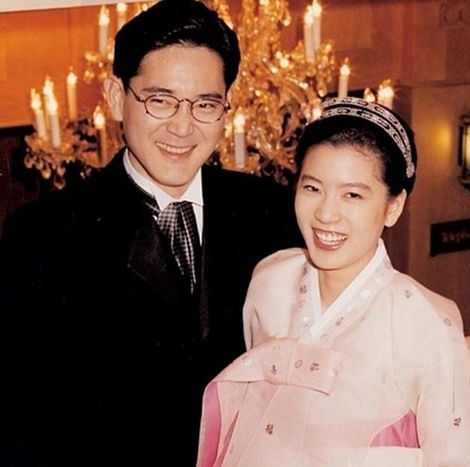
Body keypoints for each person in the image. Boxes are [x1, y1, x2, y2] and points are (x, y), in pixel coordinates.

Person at [0, 1, 302, 465]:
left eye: (205, 105)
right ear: (115, 96)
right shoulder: (43, 237)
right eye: (160, 100)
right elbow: (20, 424)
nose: (182, 127)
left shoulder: (272, 212)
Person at [197, 96, 470, 467]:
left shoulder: (427, 322)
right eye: (312, 188)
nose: (325, 214)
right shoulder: (270, 280)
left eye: (352, 195)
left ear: (394, 206)